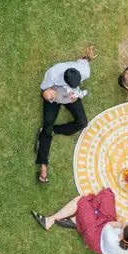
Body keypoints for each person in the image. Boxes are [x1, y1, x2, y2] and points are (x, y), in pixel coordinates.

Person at [31, 188, 128, 254]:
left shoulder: (111, 236)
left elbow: (108, 224)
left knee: (81, 201)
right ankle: (76, 221)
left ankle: (50, 220)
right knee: (108, 194)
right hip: (106, 228)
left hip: (96, 238)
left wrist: (120, 224)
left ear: (123, 232)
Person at [35, 45, 96, 184]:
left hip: (70, 95)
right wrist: (50, 95)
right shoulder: (53, 74)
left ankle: (54, 131)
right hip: (54, 92)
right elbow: (44, 90)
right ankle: (43, 165)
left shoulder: (84, 72)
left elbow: (84, 61)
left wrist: (87, 57)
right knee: (47, 123)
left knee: (82, 123)